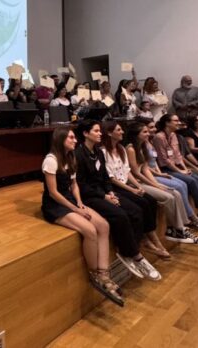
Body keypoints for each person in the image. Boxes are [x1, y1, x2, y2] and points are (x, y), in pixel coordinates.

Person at [42, 127, 123, 306]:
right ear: (61, 139)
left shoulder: (70, 157)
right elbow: (53, 193)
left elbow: (74, 185)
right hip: (55, 205)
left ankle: (104, 273)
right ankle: (94, 273)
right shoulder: (51, 160)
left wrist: (79, 202)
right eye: (71, 137)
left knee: (104, 226)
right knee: (90, 231)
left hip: (70, 200)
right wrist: (75, 209)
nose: (75, 140)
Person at [75, 120, 161, 281]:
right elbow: (81, 184)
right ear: (85, 134)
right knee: (120, 215)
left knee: (136, 210)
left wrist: (109, 192)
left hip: (104, 192)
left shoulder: (98, 152)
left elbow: (105, 178)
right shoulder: (78, 155)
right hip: (90, 196)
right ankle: (133, 255)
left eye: (100, 131)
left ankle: (133, 250)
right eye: (96, 131)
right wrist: (104, 196)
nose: (100, 133)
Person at [126, 121, 198, 245]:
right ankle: (175, 229)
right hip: (134, 182)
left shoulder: (143, 146)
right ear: (136, 134)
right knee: (168, 196)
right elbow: (136, 173)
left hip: (144, 179)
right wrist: (155, 185)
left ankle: (180, 226)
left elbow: (145, 169)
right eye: (145, 132)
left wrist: (157, 184)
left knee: (175, 193)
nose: (148, 134)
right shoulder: (130, 149)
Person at [100, 122, 169, 259]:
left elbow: (127, 171)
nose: (122, 132)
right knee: (140, 204)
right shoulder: (103, 152)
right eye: (118, 130)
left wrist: (137, 186)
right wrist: (131, 190)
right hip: (115, 187)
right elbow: (111, 178)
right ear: (109, 133)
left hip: (125, 183)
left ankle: (151, 237)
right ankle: (145, 240)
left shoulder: (121, 148)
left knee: (150, 200)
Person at [152, 114, 198, 224]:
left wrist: (184, 168)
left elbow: (178, 155)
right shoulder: (159, 137)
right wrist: (180, 171)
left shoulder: (173, 135)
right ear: (167, 123)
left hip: (176, 166)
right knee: (191, 181)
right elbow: (164, 160)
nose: (178, 123)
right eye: (175, 121)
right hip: (165, 168)